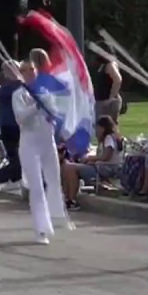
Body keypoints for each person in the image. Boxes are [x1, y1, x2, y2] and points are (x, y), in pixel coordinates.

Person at [13, 53, 70, 241]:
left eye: (32, 70)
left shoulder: (45, 91)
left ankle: (58, 217)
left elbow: (55, 113)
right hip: (29, 143)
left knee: (54, 180)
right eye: (25, 70)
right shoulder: (18, 94)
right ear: (19, 73)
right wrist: (35, 107)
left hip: (47, 141)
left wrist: (47, 106)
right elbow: (20, 118)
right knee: (36, 187)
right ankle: (41, 230)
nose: (30, 73)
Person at [61, 116, 123, 203]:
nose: (96, 131)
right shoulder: (112, 138)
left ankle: (71, 199)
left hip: (104, 169)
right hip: (101, 167)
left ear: (103, 128)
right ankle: (67, 197)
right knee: (67, 167)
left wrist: (91, 158)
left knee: (70, 168)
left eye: (97, 128)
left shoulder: (108, 139)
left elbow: (106, 157)